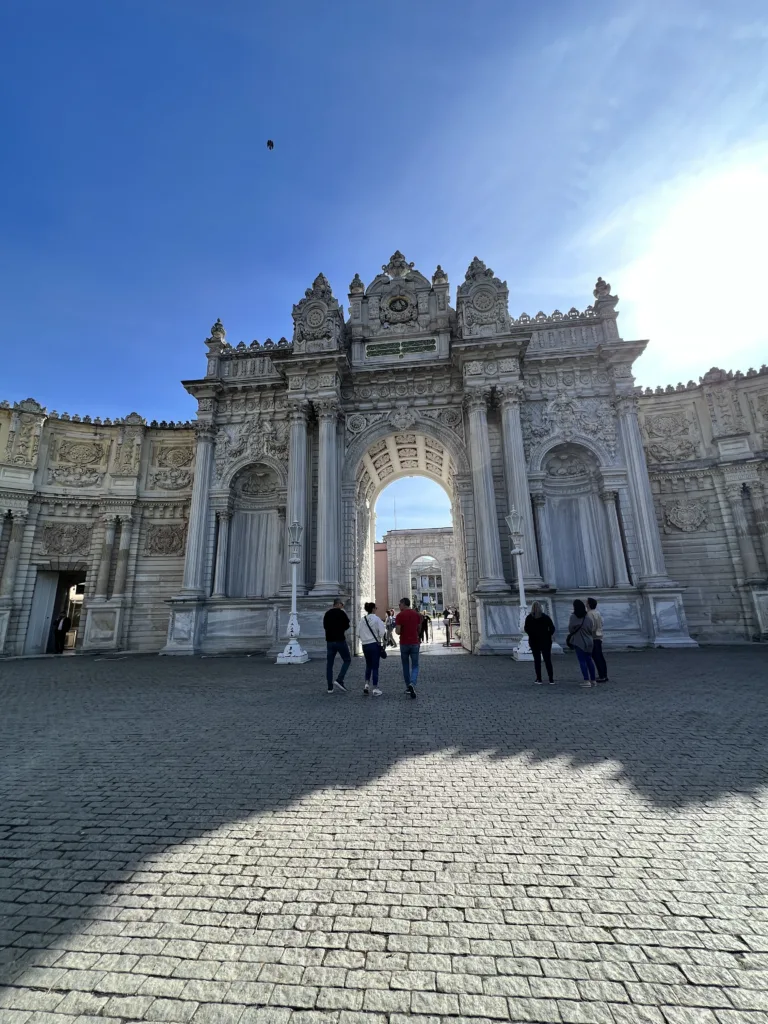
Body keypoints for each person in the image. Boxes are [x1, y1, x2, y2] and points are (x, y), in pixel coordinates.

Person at [395, 597, 422, 699]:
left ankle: (408, 686)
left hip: (404, 643)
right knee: (415, 666)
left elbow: (398, 631)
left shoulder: (400, 616)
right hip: (414, 643)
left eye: (400, 604)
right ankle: (412, 683)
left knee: (405, 666)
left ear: (404, 604)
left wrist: (401, 631)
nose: (399, 606)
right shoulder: (417, 614)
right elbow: (419, 629)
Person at [524, 602, 556, 684]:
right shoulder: (545, 617)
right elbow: (552, 628)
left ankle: (539, 679)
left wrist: (531, 635)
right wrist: (548, 635)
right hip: (546, 641)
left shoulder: (529, 618)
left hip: (534, 641)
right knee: (547, 660)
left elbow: (526, 629)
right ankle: (551, 679)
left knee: (537, 660)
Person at [323, 598, 351, 693]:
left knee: (329, 664)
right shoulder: (342, 613)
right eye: (341, 604)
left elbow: (325, 626)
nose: (342, 606)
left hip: (330, 642)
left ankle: (329, 687)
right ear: (338, 604)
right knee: (347, 659)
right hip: (340, 640)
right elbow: (347, 625)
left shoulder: (327, 614)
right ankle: (339, 679)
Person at [359, 601, 387, 696]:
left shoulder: (362, 620)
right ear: (373, 609)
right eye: (376, 608)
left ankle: (366, 685)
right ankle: (375, 688)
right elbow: (382, 633)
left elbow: (358, 633)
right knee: (375, 666)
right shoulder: (377, 619)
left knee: (368, 665)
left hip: (365, 645)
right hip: (374, 645)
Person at [567, 599, 596, 688]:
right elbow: (591, 628)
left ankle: (586, 680)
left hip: (579, 641)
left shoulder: (573, 617)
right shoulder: (587, 617)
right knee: (589, 660)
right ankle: (593, 680)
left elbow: (571, 629)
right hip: (589, 641)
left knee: (582, 661)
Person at [587, 597, 609, 682]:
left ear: (588, 604)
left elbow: (591, 626)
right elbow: (601, 623)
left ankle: (601, 676)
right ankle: (604, 674)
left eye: (586, 602)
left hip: (593, 637)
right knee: (600, 657)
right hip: (599, 636)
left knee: (596, 657)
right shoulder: (597, 613)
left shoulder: (589, 614)